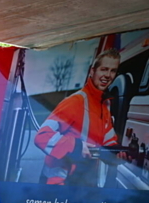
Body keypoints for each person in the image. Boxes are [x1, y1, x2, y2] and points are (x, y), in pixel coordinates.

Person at [34, 48, 124, 186]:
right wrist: (76, 146)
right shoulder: (75, 102)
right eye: (104, 69)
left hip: (81, 184)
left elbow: (108, 141)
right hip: (58, 185)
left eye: (112, 71)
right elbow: (42, 136)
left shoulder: (104, 106)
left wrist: (116, 153)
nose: (108, 75)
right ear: (92, 71)